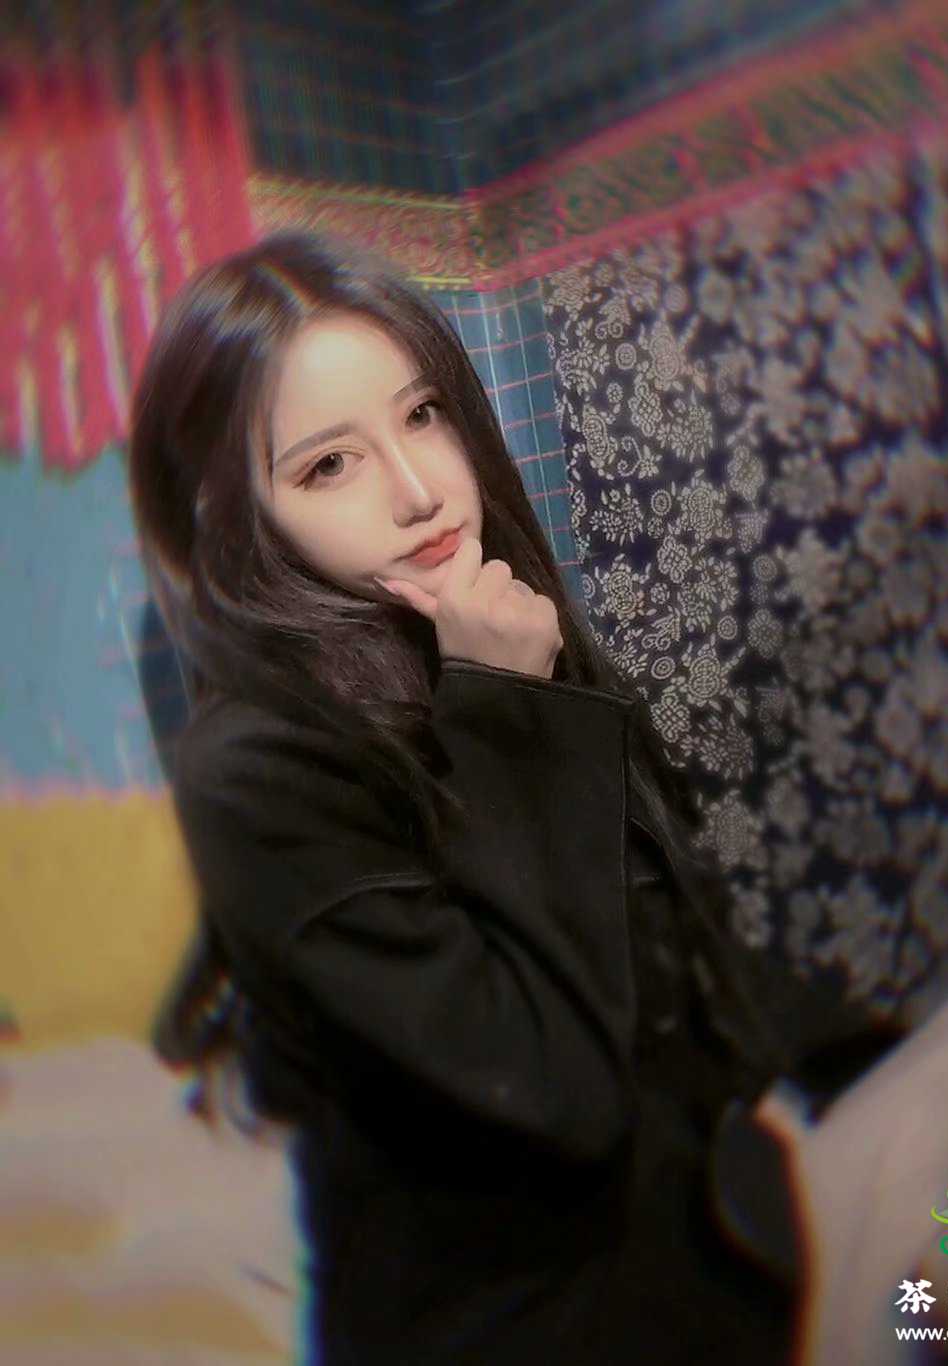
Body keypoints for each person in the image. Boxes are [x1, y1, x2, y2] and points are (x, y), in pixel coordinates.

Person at [128, 231, 901, 1365]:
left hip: (713, 1267)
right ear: (230, 511)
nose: (418, 490)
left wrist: (859, 1065)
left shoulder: (487, 626)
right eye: (329, 466)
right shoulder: (258, 769)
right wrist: (507, 709)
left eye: (423, 414)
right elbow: (556, 1090)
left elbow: (672, 951)